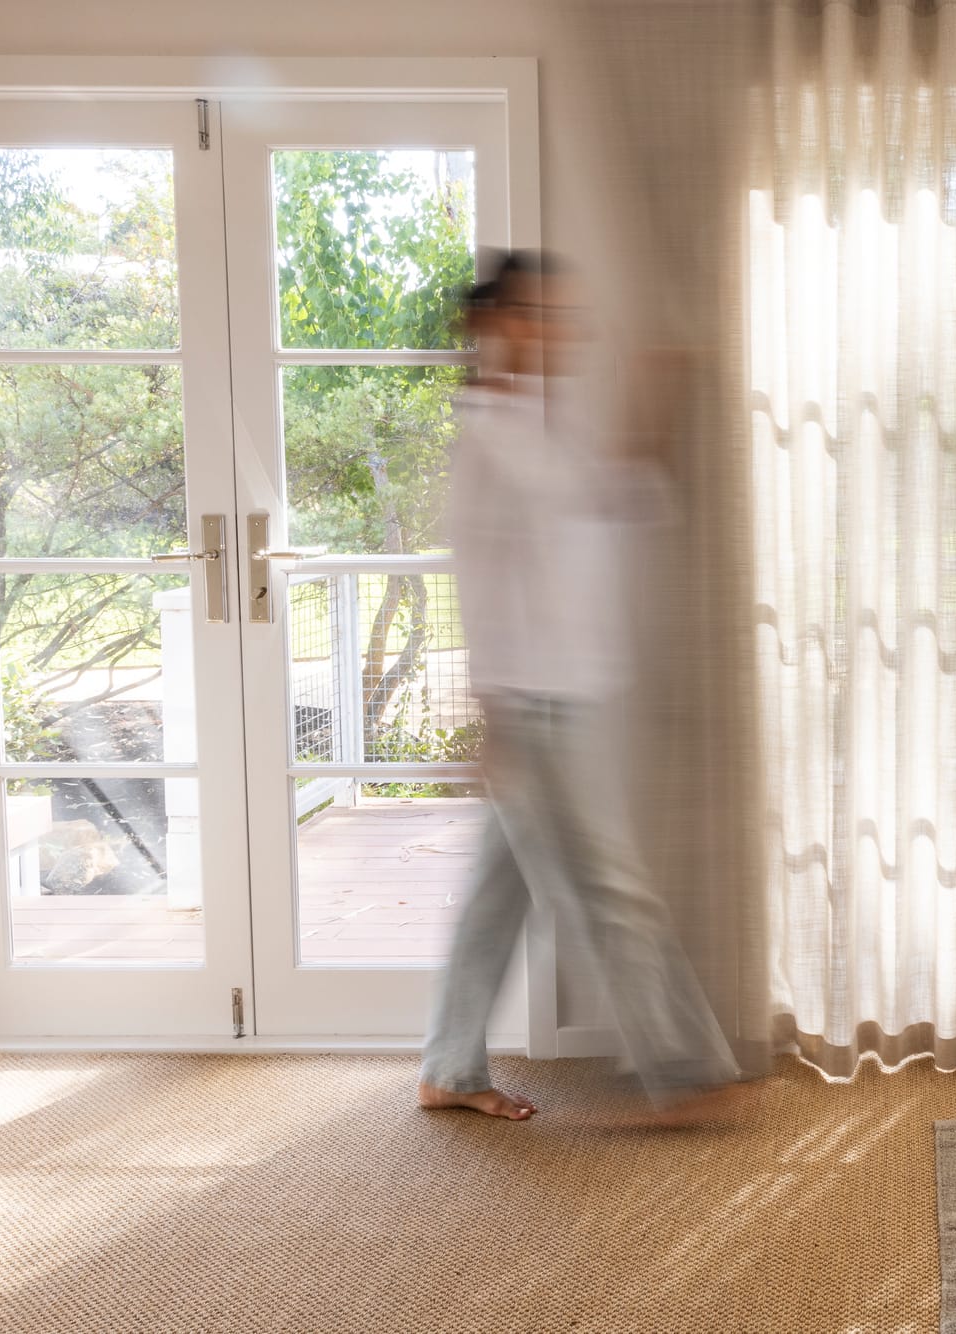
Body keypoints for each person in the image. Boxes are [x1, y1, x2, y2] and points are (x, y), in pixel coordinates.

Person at [416, 250, 741, 1124]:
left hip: (567, 692)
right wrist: (495, 720)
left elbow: (611, 503)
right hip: (535, 703)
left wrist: (656, 399)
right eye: (547, 315)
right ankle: (683, 1068)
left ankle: (449, 1067)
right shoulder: (488, 435)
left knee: (500, 891)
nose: (566, 331)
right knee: (610, 886)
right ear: (498, 325)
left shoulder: (534, 426)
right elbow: (480, 584)